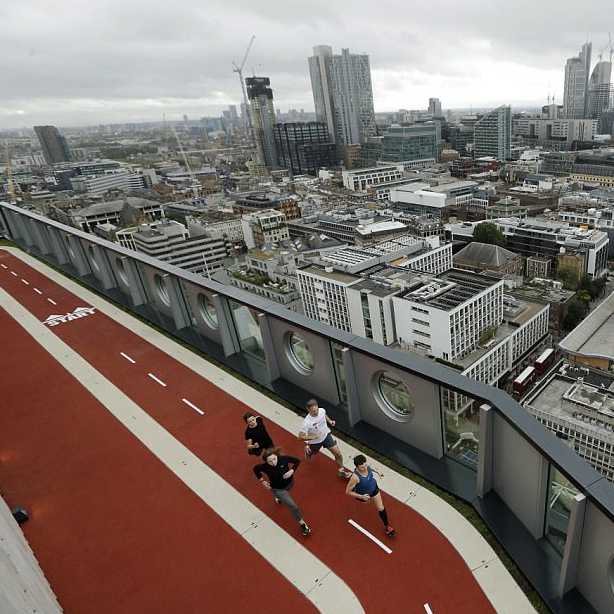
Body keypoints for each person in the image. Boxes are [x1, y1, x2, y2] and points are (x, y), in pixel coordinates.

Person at [253, 448, 311, 536]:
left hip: (290, 483)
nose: (273, 462)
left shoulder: (284, 459)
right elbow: (255, 469)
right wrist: (262, 481)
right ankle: (303, 524)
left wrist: (292, 471)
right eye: (270, 461)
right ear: (266, 461)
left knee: (282, 496)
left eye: (274, 459)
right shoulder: (264, 467)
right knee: (293, 506)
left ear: (277, 456)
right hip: (278, 489)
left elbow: (297, 461)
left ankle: (278, 497)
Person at [298, 399, 352, 478]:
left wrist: (330, 421)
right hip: (315, 442)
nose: (316, 412)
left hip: (326, 436)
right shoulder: (306, 422)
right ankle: (308, 451)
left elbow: (324, 415)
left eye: (316, 410)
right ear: (308, 410)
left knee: (338, 453)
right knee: (310, 455)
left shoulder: (322, 410)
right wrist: (313, 437)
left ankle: (341, 470)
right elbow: (300, 437)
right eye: (313, 411)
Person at [346, 454, 395, 537]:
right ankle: (347, 476)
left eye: (365, 465)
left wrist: (378, 472)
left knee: (381, 508)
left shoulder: (366, 466)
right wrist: (361, 497)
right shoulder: (355, 477)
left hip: (374, 489)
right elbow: (347, 492)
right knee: (366, 502)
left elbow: (370, 468)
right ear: (357, 467)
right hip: (363, 494)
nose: (365, 468)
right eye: (362, 467)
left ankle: (387, 526)